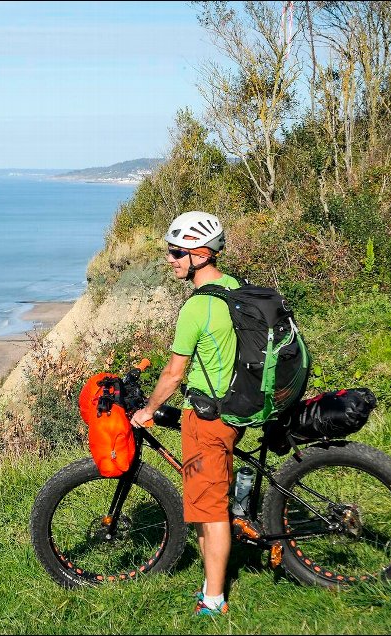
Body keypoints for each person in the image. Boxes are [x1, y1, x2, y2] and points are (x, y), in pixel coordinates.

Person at [130, 210, 240, 617]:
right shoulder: (233, 288)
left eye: (177, 252)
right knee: (213, 497)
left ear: (201, 254)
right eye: (170, 252)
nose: (171, 259)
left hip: (211, 419)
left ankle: (214, 599)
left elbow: (174, 373)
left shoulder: (196, 307)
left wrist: (148, 409)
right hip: (237, 404)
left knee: (211, 511)